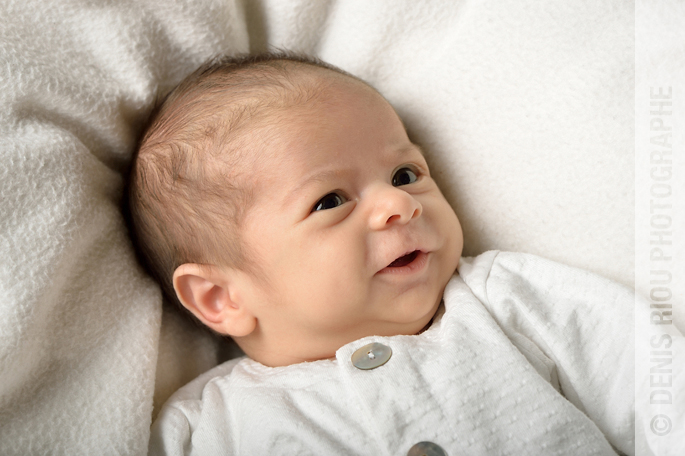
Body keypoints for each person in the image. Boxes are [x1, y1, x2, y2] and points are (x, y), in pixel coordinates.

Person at [129, 52, 636, 455]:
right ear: (221, 298)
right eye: (330, 200)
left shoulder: (508, 301)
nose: (399, 204)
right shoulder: (207, 427)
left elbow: (645, 381)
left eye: (405, 175)